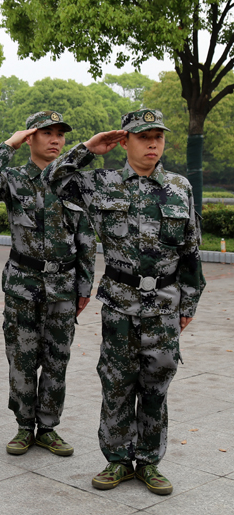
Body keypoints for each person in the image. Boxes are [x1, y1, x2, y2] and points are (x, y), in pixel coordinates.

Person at [43, 109, 205, 495]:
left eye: (158, 137)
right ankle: (117, 459)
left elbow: (191, 250)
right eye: (143, 137)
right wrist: (88, 148)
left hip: (164, 307)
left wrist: (188, 305)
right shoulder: (102, 183)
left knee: (156, 387)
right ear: (125, 141)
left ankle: (148, 462)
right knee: (116, 384)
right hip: (119, 305)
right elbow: (52, 178)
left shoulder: (179, 187)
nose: (153, 144)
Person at [0, 111, 96, 456]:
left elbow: (86, 237)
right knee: (22, 359)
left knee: (58, 360)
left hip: (63, 287)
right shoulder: (13, 179)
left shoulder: (72, 182)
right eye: (47, 133)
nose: (55, 140)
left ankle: (49, 428)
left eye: (60, 134)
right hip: (23, 285)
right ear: (31, 138)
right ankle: (24, 427)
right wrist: (10, 143)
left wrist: (84, 286)